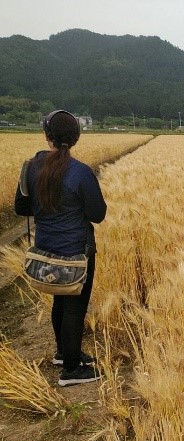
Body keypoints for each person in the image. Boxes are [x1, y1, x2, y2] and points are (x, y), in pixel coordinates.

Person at [14, 110, 107, 386]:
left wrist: (47, 210)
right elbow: (98, 213)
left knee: (59, 299)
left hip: (45, 250)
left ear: (47, 136)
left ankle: (64, 352)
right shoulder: (80, 172)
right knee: (74, 307)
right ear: (76, 138)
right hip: (77, 253)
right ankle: (72, 368)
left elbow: (21, 208)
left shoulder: (31, 167)